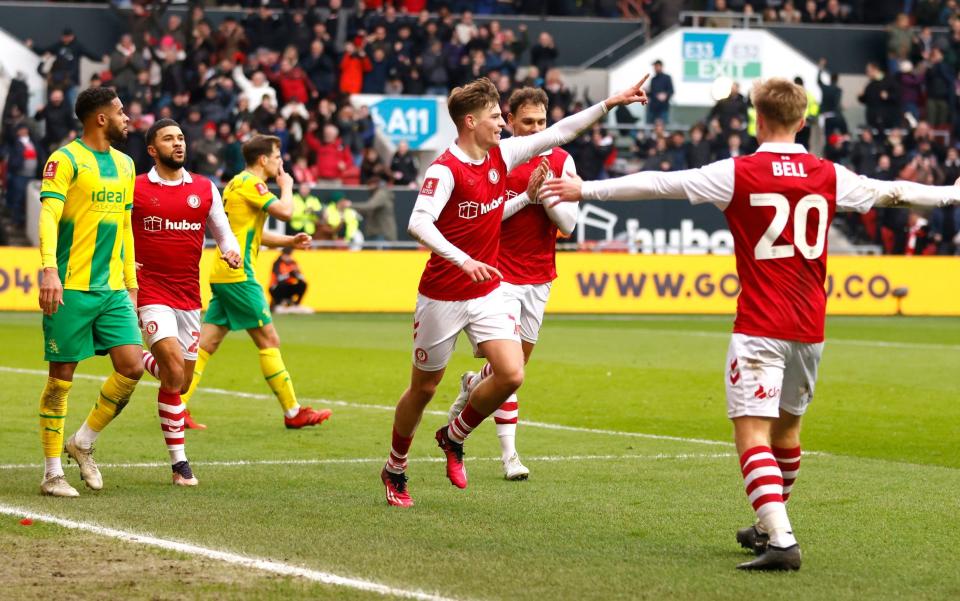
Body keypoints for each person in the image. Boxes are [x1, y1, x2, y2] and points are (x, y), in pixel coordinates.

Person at [540, 77, 960, 571]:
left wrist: (583, 188)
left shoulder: (737, 172)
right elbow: (894, 192)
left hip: (761, 325)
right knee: (787, 431)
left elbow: (659, 182)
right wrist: (951, 194)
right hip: (810, 327)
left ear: (756, 119)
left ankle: (782, 540)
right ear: (804, 121)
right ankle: (767, 526)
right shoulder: (828, 173)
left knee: (752, 434)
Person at [380, 76, 648, 508]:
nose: (501, 125)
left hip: (487, 290)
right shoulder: (444, 169)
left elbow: (560, 132)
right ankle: (395, 467)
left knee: (511, 373)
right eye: (493, 117)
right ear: (470, 122)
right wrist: (463, 259)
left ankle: (454, 436)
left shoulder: (501, 155)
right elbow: (418, 223)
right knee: (424, 390)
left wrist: (610, 103)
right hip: (443, 293)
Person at [446, 87, 580, 481]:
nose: (535, 128)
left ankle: (473, 384)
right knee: (512, 369)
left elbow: (569, 225)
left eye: (541, 122)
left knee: (507, 368)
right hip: (497, 275)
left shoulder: (561, 159)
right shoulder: (496, 159)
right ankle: (510, 457)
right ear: (511, 121)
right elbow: (485, 218)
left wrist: (549, 195)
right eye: (527, 122)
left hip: (540, 277)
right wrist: (526, 195)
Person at [179, 135, 332, 430]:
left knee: (207, 344)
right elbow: (286, 211)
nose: (280, 162)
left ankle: (177, 407)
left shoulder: (237, 183)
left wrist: (289, 241)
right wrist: (288, 187)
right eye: (277, 156)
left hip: (224, 272)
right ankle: (293, 412)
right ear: (263, 160)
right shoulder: (252, 184)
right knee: (269, 340)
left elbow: (249, 233)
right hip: (239, 275)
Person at [36, 87, 142, 497]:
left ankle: (82, 442)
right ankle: (51, 473)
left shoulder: (127, 164)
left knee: (132, 366)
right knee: (61, 378)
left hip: (112, 289)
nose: (126, 117)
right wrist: (49, 270)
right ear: (101, 118)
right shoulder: (65, 159)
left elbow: (126, 226)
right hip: (71, 286)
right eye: (120, 111)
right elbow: (49, 215)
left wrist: (131, 286)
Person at [133, 119, 241, 484]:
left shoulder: (204, 188)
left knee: (179, 380)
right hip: (150, 292)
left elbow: (224, 232)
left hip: (189, 297)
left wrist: (230, 252)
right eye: (168, 139)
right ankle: (180, 465)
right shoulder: (135, 189)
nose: (178, 144)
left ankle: (138, 358)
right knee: (175, 373)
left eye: (180, 138)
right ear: (152, 149)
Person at [269, 248, 310, 312]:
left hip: (289, 286)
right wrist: (289, 274)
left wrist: (297, 275)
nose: (288, 257)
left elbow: (300, 275)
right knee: (282, 284)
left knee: (303, 284)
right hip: (276, 288)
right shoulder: (277, 263)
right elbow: (278, 278)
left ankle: (296, 305)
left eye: (289, 255)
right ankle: (278, 304)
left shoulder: (293, 263)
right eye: (286, 255)